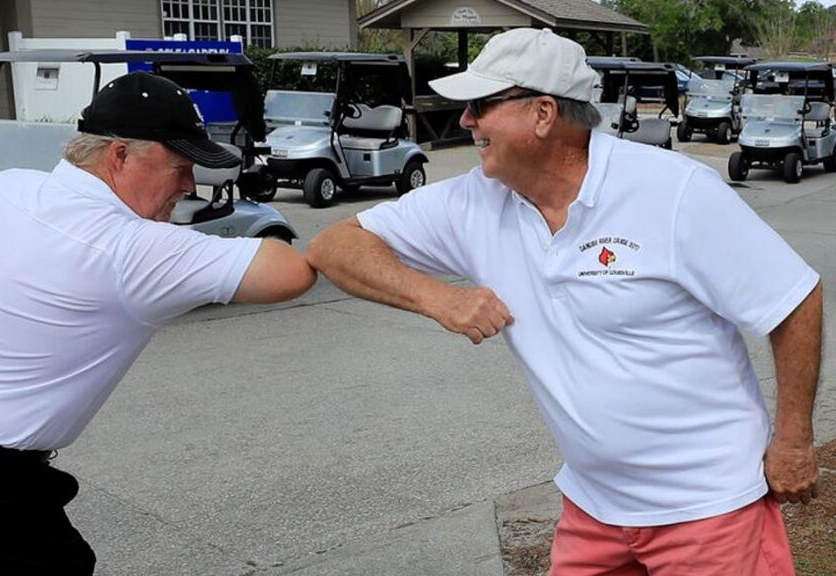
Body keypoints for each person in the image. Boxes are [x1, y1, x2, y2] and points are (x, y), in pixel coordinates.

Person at [307, 28, 822, 576]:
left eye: (480, 105)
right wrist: (437, 298)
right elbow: (332, 246)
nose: (465, 121)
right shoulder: (476, 201)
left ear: (544, 113)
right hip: (594, 509)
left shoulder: (673, 192)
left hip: (709, 510)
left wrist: (792, 442)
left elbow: (793, 300)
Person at [0, 72, 316, 576]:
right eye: (181, 166)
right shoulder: (131, 249)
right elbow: (290, 271)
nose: (188, 186)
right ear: (119, 154)